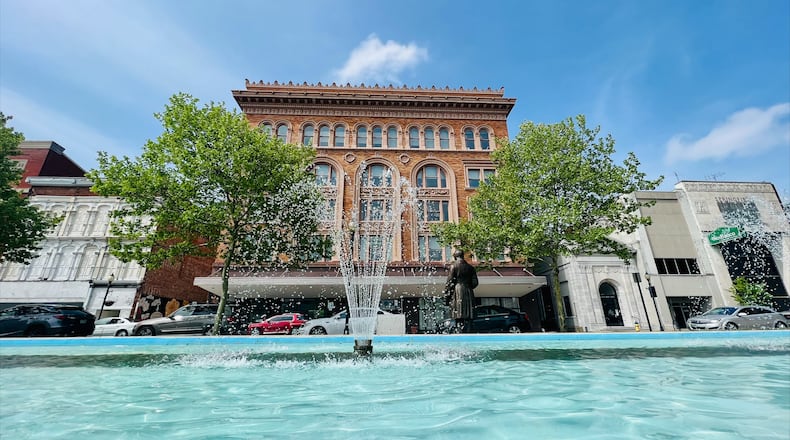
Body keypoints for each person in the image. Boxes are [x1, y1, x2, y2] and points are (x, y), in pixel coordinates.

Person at [443, 250, 478, 333]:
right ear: (463, 256)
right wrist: (468, 286)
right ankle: (469, 333)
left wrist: (447, 296)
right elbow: (475, 283)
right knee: (469, 316)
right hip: (468, 291)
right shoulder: (471, 268)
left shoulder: (453, 266)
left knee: (458, 315)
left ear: (455, 257)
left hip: (457, 290)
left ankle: (460, 332)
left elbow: (450, 282)